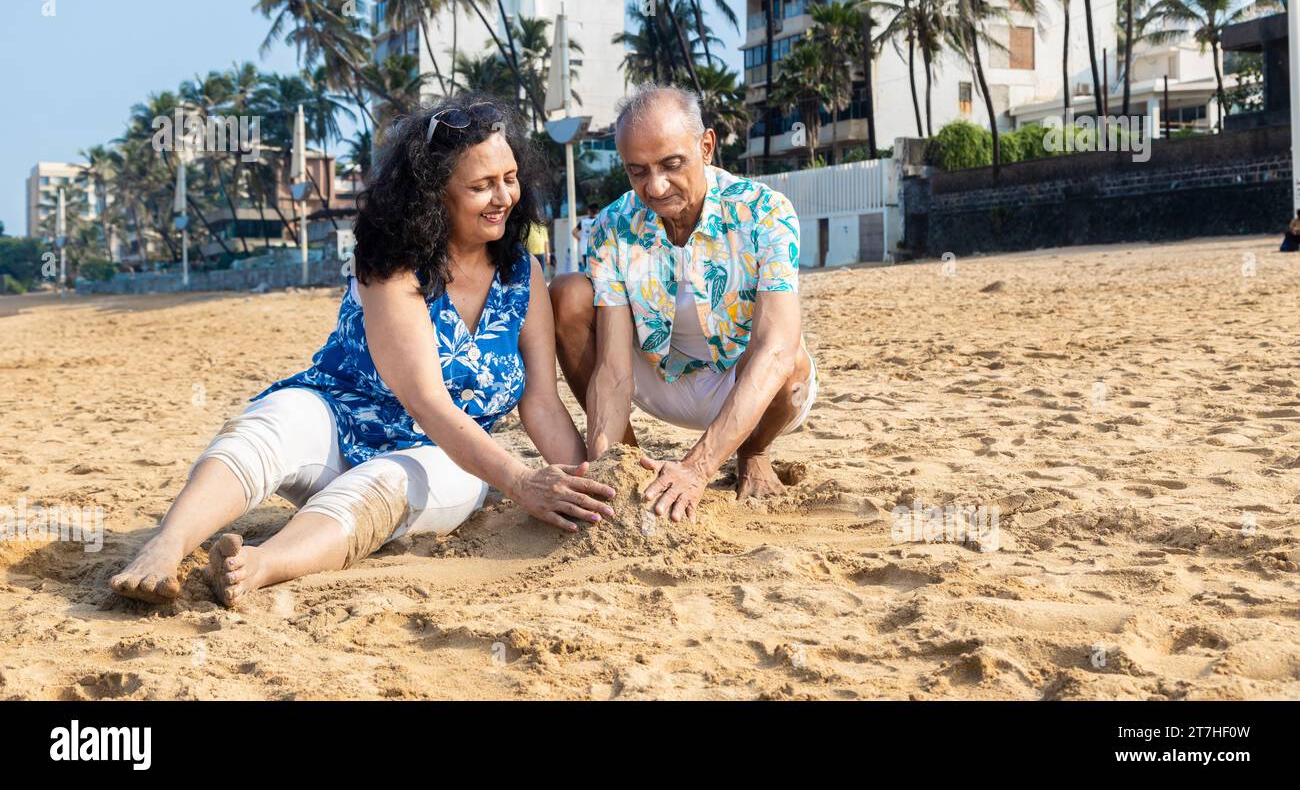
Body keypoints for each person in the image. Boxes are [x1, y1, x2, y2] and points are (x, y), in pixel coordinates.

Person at [110, 95, 616, 607]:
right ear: (435, 192)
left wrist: (591, 484)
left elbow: (541, 402)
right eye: (481, 185)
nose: (503, 196)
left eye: (509, 178)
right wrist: (522, 481)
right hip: (336, 425)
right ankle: (168, 543)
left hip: (446, 457)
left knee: (390, 483)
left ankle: (261, 564)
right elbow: (427, 401)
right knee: (272, 423)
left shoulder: (521, 273)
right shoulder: (391, 263)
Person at [549, 84, 817, 524]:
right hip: (661, 378)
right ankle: (630, 464)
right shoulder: (614, 224)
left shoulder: (765, 211)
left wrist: (697, 468)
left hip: (745, 385)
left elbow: (777, 351)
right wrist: (606, 468)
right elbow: (613, 369)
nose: (655, 187)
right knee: (568, 294)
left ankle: (752, 451)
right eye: (637, 171)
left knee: (792, 367)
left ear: (706, 147)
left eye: (671, 165)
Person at [572, 201, 599, 272]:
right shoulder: (598, 221)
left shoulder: (583, 222)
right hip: (595, 247)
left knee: (587, 268)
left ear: (589, 211)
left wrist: (579, 238)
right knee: (595, 268)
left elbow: (574, 232)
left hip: (584, 246)